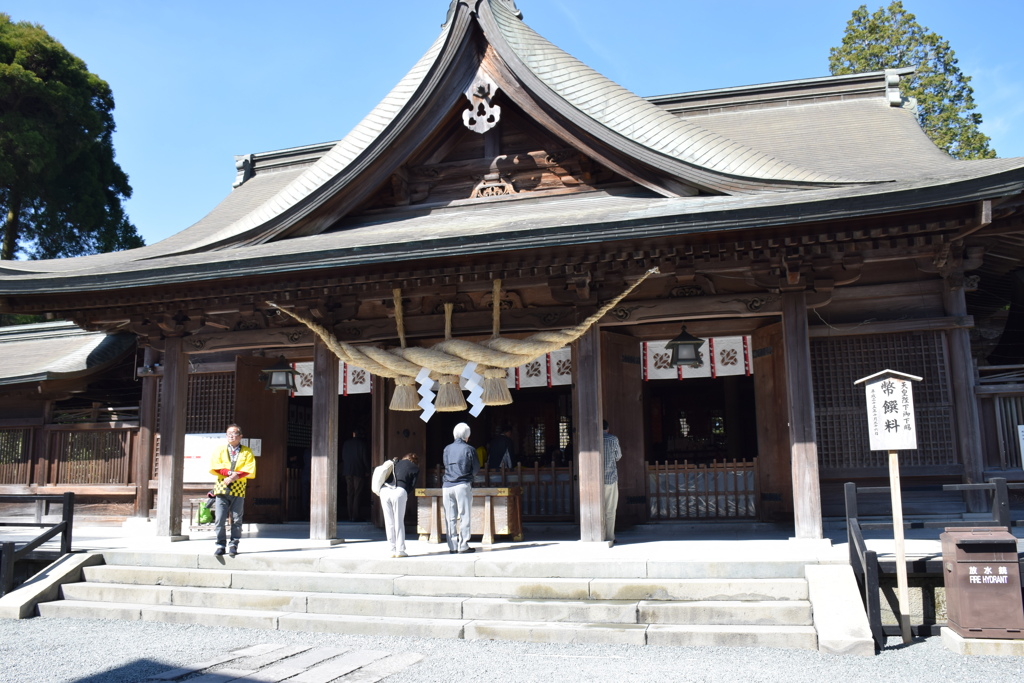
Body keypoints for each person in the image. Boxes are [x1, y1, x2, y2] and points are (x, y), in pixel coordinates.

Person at [209, 424, 256, 557]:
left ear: (240, 436)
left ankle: (234, 543)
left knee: (236, 518)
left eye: (234, 433)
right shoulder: (220, 450)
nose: (231, 435)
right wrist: (230, 473)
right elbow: (215, 466)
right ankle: (220, 544)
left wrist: (235, 476)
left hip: (239, 487)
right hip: (221, 487)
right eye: (228, 433)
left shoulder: (247, 451)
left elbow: (249, 469)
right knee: (219, 518)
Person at [442, 422, 479, 554]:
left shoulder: (447, 449)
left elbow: (445, 464)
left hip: (447, 485)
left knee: (450, 517)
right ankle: (463, 545)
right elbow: (476, 468)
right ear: (467, 436)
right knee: (464, 515)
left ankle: (452, 546)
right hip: (462, 484)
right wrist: (469, 476)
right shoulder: (469, 449)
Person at [380, 452, 419, 558]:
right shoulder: (415, 468)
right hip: (399, 491)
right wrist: (405, 494)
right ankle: (400, 550)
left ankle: (391, 549)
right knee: (398, 521)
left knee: (389, 522)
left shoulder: (395, 462)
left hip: (384, 490)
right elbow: (412, 485)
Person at [341, 428, 370, 521]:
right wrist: (368, 470)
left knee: (350, 493)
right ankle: (355, 516)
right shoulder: (362, 444)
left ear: (353, 434)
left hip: (347, 471)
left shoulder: (346, 444)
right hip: (358, 471)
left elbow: (343, 457)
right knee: (357, 493)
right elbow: (364, 459)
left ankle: (350, 515)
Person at [602, 420, 622, 546]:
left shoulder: (592, 439)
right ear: (607, 428)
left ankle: (597, 534)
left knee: (596, 509)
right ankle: (609, 536)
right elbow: (618, 456)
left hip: (595, 481)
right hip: (610, 478)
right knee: (610, 509)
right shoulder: (612, 439)